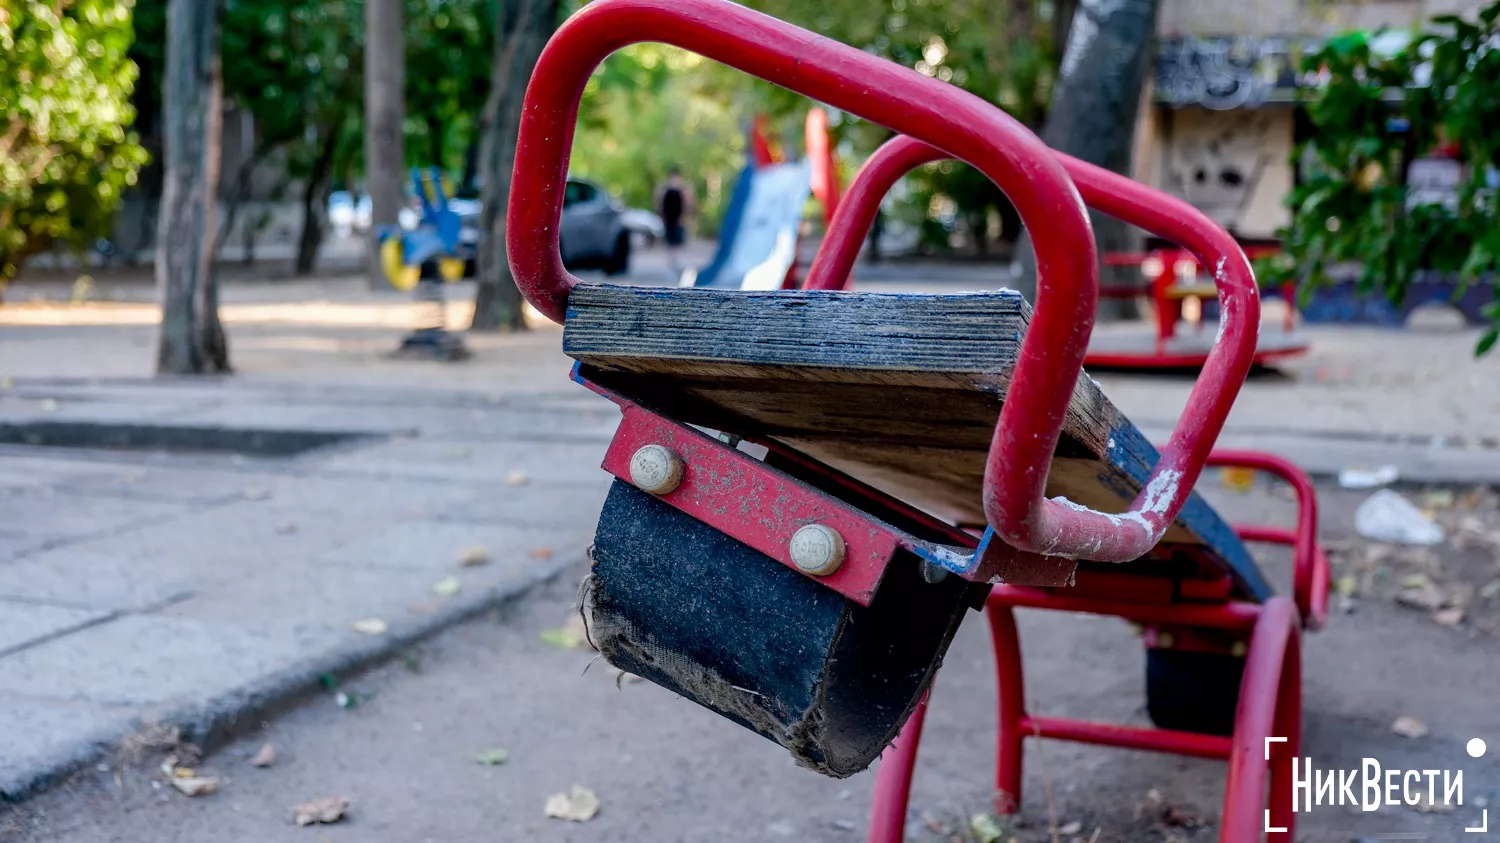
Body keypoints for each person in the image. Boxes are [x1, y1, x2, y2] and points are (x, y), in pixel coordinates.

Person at [657, 167, 695, 279]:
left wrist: (686, 218)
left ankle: (679, 267)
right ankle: (671, 267)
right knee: (670, 244)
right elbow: (659, 203)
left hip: (679, 220)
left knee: (679, 244)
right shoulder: (664, 189)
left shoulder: (684, 190)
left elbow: (688, 204)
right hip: (669, 220)